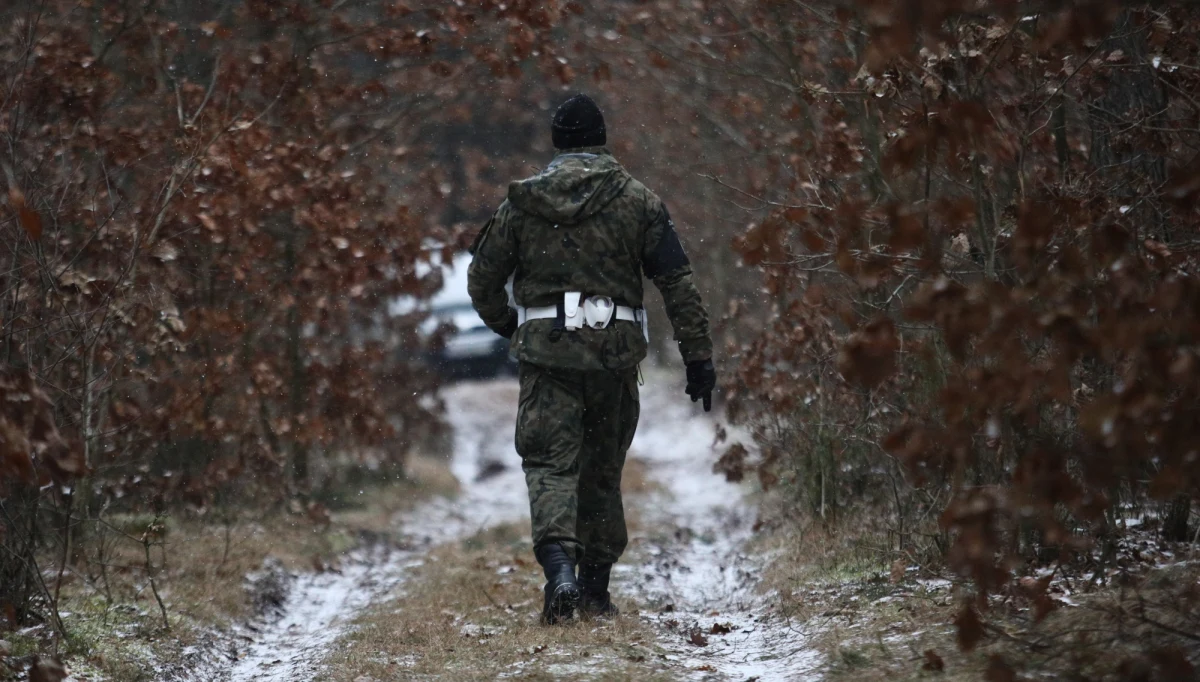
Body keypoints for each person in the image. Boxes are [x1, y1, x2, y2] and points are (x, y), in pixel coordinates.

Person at [467, 93, 716, 625]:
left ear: (557, 142)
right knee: (602, 469)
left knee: (550, 465)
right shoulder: (639, 201)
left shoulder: (523, 203)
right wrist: (697, 357)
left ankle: (559, 572)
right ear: (602, 139)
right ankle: (596, 592)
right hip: (613, 356)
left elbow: (482, 279)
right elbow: (677, 283)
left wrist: (511, 326)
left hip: (547, 354)